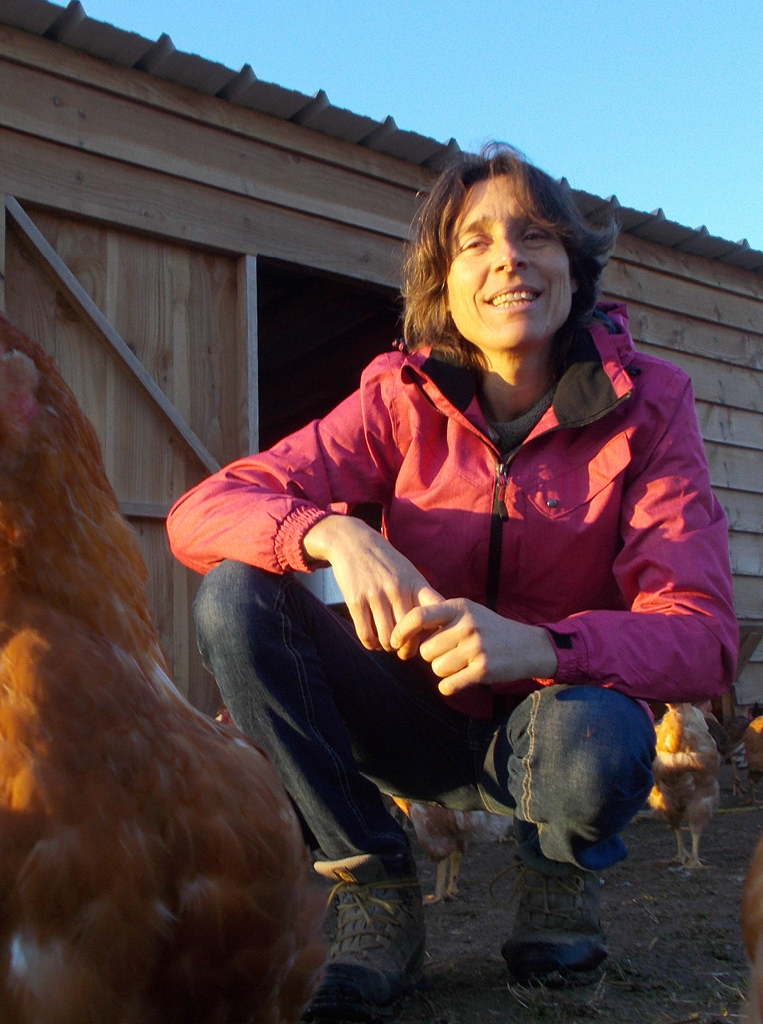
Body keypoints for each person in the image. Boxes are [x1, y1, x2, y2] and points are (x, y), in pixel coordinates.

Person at [166, 144, 739, 1022]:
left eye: (535, 234)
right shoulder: (397, 400)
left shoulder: (651, 405)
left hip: (552, 724)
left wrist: (546, 646)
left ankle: (556, 878)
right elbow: (202, 510)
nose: (507, 256)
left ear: (574, 269)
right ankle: (373, 891)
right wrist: (326, 530)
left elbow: (703, 634)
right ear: (445, 283)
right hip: (410, 715)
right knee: (234, 599)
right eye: (474, 242)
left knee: (596, 731)